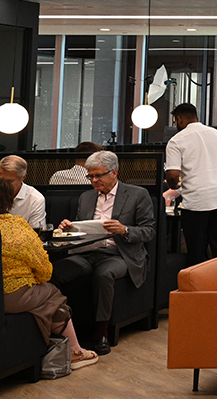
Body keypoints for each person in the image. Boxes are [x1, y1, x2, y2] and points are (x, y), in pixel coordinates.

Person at [51, 151, 156, 355]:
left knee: (104, 275)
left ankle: (101, 332)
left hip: (120, 254)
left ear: (114, 172)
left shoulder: (137, 194)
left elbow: (149, 231)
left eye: (98, 175)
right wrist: (68, 227)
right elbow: (81, 229)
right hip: (87, 253)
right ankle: (59, 326)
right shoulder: (86, 197)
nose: (94, 180)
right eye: (90, 176)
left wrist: (124, 229)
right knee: (52, 272)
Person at [0, 182, 99, 369]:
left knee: (43, 299)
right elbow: (45, 271)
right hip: (8, 296)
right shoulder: (18, 228)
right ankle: (75, 351)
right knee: (53, 294)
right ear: (9, 200)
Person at [165, 103, 217, 266]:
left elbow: (173, 176)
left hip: (196, 202)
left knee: (196, 252)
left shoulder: (176, 141)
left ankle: (198, 289)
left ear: (178, 119)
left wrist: (176, 186)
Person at [0, 155, 45, 229]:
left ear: (23, 177)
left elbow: (36, 234)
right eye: (0, 179)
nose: (3, 185)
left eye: (9, 181)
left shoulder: (35, 199)